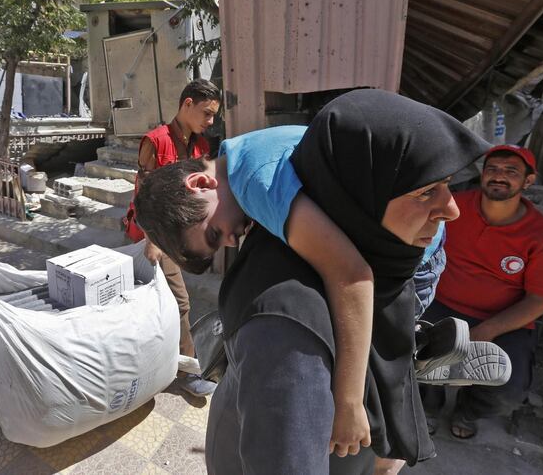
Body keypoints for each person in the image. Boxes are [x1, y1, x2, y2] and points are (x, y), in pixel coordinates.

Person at [136, 88, 491, 472]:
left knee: (388, 330)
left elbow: (351, 275)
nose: (230, 240)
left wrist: (349, 402)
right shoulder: (245, 152)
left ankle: (410, 346)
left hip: (413, 258)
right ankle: (407, 347)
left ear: (200, 185)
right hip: (405, 246)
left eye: (213, 234)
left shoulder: (258, 185)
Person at [421, 144, 543, 439]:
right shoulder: (452, 207)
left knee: (509, 390)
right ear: (482, 175)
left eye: (511, 171)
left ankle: (468, 409)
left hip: (504, 319)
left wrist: (488, 329)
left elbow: (540, 299)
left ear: (528, 181)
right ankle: (427, 406)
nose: (499, 176)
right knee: (412, 353)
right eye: (493, 169)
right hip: (441, 302)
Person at [123, 78, 221, 397]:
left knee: (155, 301)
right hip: (154, 235)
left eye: (213, 116)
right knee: (180, 301)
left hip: (177, 236)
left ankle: (150, 358)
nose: (210, 121)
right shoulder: (155, 141)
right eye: (206, 113)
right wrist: (153, 238)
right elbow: (142, 194)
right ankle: (188, 370)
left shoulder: (200, 146)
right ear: (187, 104)